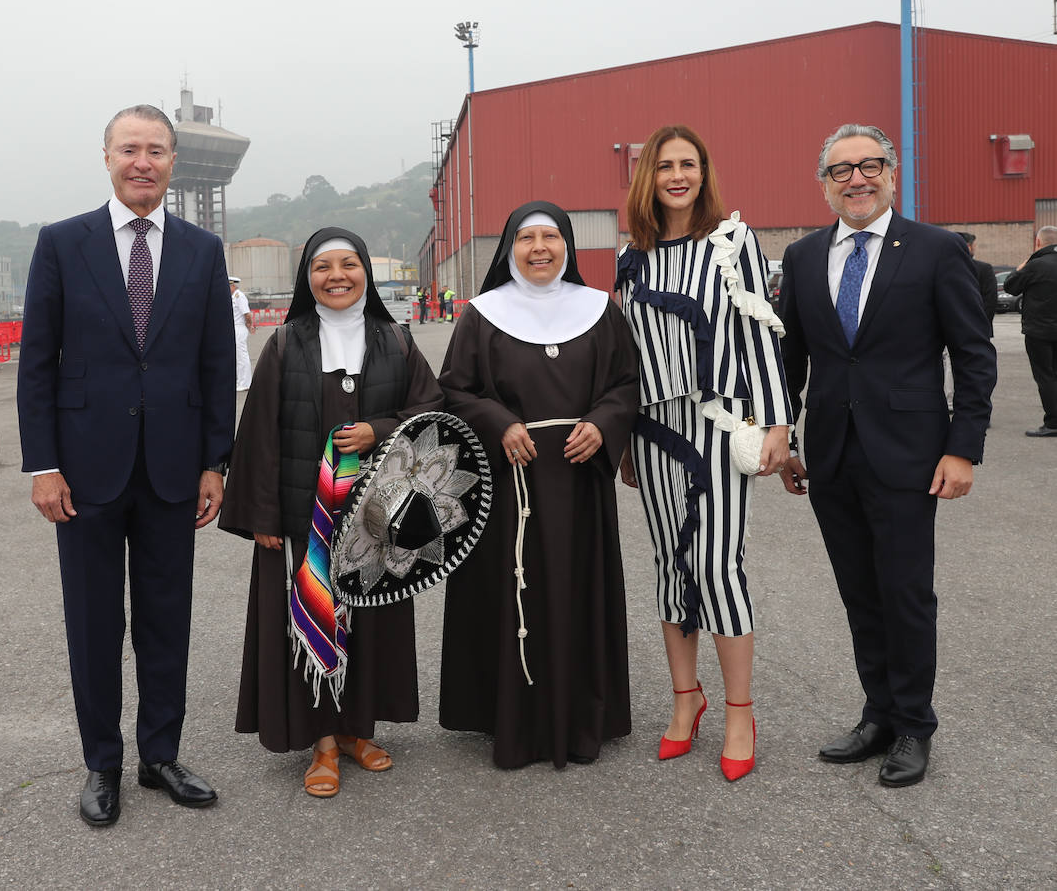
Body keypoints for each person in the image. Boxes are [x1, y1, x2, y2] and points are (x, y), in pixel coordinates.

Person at [17, 104, 236, 825]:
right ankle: (101, 763)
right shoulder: (62, 243)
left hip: (174, 466)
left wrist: (216, 460)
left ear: (173, 162)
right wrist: (42, 465)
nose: (143, 161)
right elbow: (38, 365)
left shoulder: (203, 251)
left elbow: (215, 362)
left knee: (166, 619)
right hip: (84, 470)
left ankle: (161, 756)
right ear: (106, 157)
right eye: (129, 149)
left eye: (156, 150)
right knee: (93, 622)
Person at [778, 124, 996, 787]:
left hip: (907, 456)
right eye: (840, 170)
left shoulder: (934, 250)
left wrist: (964, 450)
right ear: (823, 184)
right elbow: (789, 363)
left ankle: (914, 727)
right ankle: (877, 714)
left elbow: (974, 354)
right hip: (832, 458)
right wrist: (784, 438)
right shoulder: (803, 256)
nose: (856, 179)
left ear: (891, 173)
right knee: (860, 594)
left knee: (904, 594)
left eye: (868, 165)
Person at [220, 227, 443, 797]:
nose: (336, 276)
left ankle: (356, 730)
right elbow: (260, 435)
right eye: (323, 267)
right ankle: (321, 740)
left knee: (371, 619)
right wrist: (263, 517)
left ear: (366, 272)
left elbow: (430, 408)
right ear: (307, 279)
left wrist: (381, 430)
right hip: (304, 517)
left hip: (377, 516)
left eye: (349, 265)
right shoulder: (288, 342)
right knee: (312, 616)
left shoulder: (394, 339)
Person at [615, 125, 794, 781]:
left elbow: (758, 335)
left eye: (688, 164)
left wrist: (778, 423)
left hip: (716, 427)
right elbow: (625, 354)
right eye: (665, 165)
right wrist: (624, 440)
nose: (677, 175)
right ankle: (685, 700)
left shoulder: (732, 242)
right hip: (652, 431)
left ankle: (740, 710)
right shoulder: (630, 254)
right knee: (670, 566)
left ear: (704, 171)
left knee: (719, 567)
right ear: (648, 177)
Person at [438, 201, 640, 769]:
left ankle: (579, 715)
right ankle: (515, 718)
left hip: (579, 483)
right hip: (509, 487)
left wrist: (602, 425)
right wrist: (500, 424)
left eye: (550, 236)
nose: (539, 248)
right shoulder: (482, 315)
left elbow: (626, 384)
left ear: (568, 246)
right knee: (514, 594)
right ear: (509, 250)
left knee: (577, 587)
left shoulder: (600, 310)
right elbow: (453, 390)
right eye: (526, 238)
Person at [1004, 226, 1057, 437]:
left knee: (1045, 376)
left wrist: (1022, 266)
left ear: (1038, 242)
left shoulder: (1036, 265)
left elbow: (1010, 287)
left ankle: (1053, 423)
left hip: (1039, 331)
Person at [231, 276, 256, 391]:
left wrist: (250, 325)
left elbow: (247, 314)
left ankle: (245, 383)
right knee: (237, 357)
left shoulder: (239, 296)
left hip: (240, 328)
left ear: (233, 285)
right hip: (235, 328)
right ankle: (240, 381)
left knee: (242, 356)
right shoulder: (234, 296)